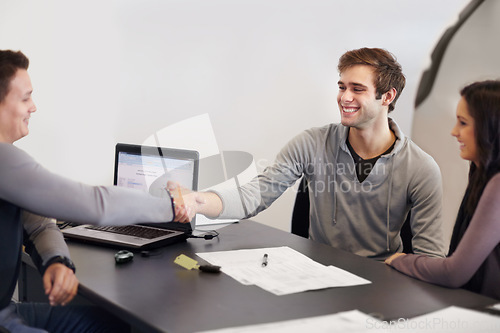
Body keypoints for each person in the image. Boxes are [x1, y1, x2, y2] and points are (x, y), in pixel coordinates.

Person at [180, 47, 446, 260]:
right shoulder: (312, 142)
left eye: (357, 89)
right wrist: (197, 201)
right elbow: (256, 194)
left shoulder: (421, 168)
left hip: (381, 283)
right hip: (320, 275)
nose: (344, 97)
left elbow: (429, 258)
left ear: (387, 96)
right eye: (342, 87)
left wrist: (400, 265)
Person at [0, 50, 187, 332]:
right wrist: (174, 204)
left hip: (6, 310)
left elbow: (37, 223)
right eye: (25, 98)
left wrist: (56, 261)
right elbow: (96, 204)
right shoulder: (3, 161)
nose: (34, 107)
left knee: (114, 326)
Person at [385, 80, 500, 300]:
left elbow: (454, 273)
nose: (454, 132)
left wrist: (399, 259)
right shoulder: (480, 172)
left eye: (463, 123)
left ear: (491, 128)